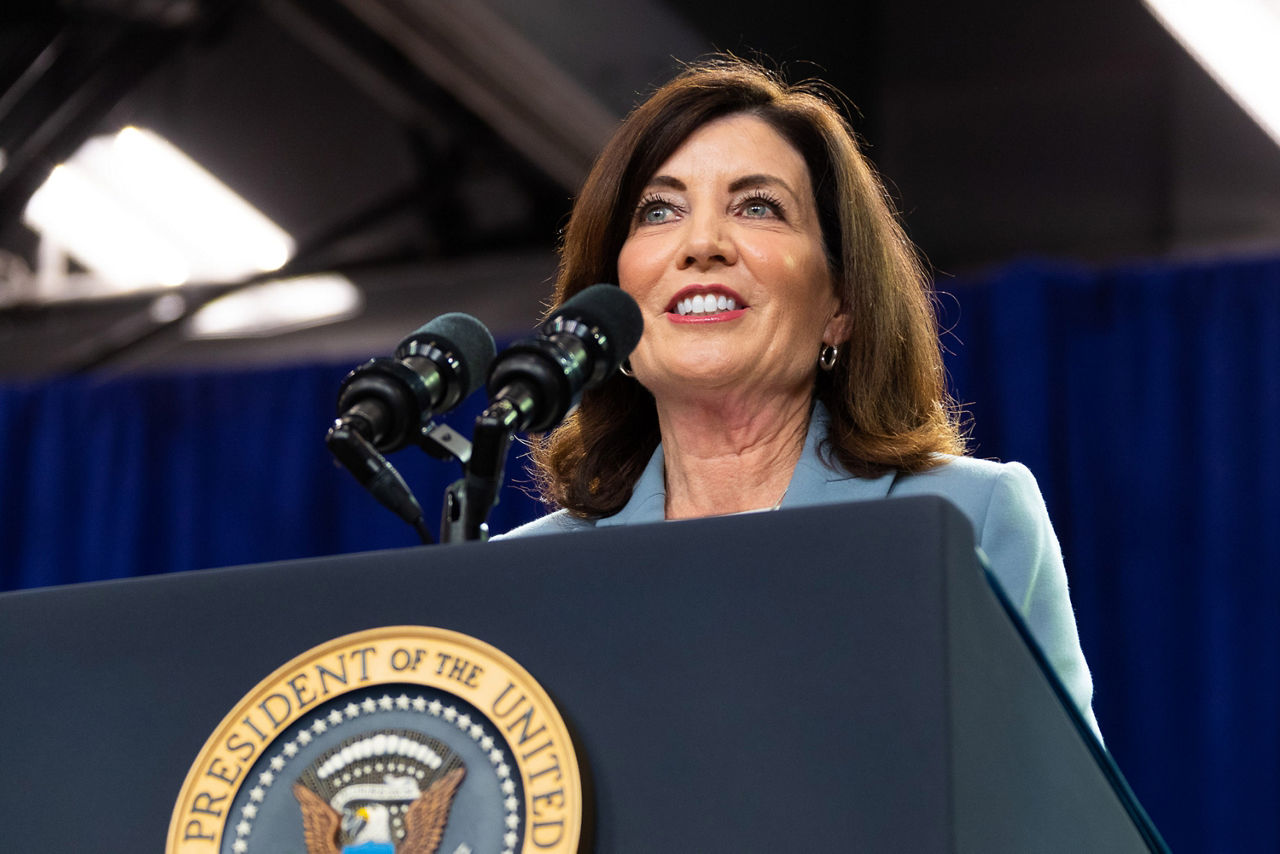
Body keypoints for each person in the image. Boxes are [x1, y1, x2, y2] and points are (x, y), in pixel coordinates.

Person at [499, 56, 1100, 739]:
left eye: (758, 206)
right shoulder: (530, 577)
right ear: (610, 304)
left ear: (840, 304)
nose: (702, 244)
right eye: (659, 210)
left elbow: (1065, 815)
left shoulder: (967, 521)